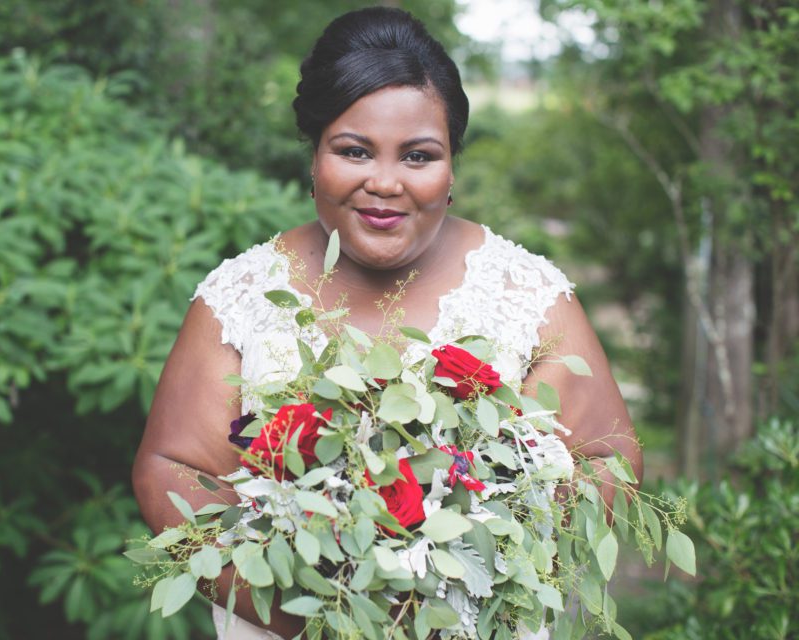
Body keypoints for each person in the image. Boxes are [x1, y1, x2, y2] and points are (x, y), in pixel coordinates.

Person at [133, 7, 641, 639]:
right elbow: (173, 468)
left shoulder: (526, 293)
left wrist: (488, 569)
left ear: (451, 167)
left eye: (418, 156)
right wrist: (325, 615)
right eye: (354, 151)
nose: (384, 182)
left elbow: (605, 458)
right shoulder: (242, 296)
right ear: (314, 157)